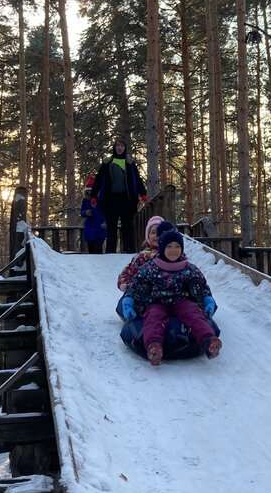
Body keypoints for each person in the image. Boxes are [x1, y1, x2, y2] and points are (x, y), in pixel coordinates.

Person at [122, 229, 222, 366]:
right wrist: (129, 300)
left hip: (182, 301)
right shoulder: (150, 267)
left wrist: (207, 299)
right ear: (162, 248)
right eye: (169, 246)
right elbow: (137, 285)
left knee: (194, 313)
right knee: (153, 318)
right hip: (156, 302)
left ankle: (209, 341)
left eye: (177, 246)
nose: (173, 250)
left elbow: (201, 286)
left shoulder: (189, 268)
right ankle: (154, 346)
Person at [91, 139, 147, 253]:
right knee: (111, 227)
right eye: (117, 146)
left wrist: (143, 194)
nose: (119, 148)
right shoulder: (107, 163)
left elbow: (137, 179)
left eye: (122, 146)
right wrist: (94, 195)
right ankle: (110, 251)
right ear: (114, 148)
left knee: (128, 226)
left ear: (125, 148)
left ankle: (129, 250)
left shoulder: (130, 163)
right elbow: (99, 179)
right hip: (110, 200)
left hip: (127, 200)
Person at [117, 215, 166, 291]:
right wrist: (126, 284)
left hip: (167, 293)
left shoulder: (171, 254)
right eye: (153, 232)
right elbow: (127, 272)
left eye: (160, 233)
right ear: (148, 236)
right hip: (144, 294)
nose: (157, 236)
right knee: (125, 301)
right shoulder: (142, 257)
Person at [80, 174, 107, 253]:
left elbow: (105, 212)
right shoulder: (85, 201)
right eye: (88, 191)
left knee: (98, 249)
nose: (90, 193)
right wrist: (86, 212)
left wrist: (105, 222)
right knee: (91, 249)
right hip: (90, 227)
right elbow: (82, 212)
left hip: (100, 227)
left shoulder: (101, 201)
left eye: (91, 191)